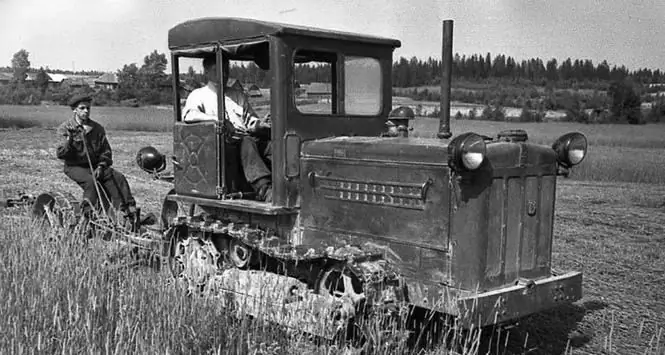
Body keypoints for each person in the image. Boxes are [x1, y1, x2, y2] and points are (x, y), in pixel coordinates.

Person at [182, 55, 273, 202]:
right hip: (222, 145)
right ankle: (264, 189)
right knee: (247, 142)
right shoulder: (198, 96)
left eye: (225, 69)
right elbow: (189, 115)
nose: (223, 73)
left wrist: (260, 125)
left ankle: (289, 185)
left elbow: (250, 120)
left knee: (274, 146)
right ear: (206, 72)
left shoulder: (237, 95)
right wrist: (219, 121)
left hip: (247, 139)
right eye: (217, 69)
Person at [56, 93, 137, 220]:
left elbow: (106, 152)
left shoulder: (97, 128)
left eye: (88, 108)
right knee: (91, 182)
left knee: (117, 177)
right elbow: (61, 154)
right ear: (74, 110)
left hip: (95, 166)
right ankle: (88, 215)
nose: (86, 111)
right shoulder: (65, 128)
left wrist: (101, 166)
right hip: (74, 166)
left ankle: (126, 212)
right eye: (82, 108)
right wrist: (70, 140)